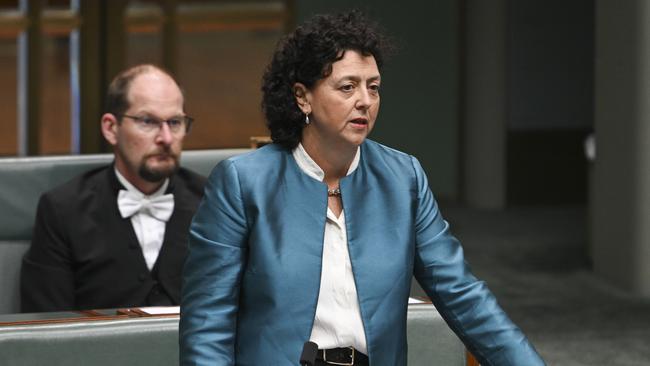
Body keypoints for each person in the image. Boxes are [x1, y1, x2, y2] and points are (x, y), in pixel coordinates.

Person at [180, 11, 545, 366]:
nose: (365, 101)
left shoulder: (403, 178)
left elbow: (463, 295)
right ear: (302, 97)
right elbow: (208, 323)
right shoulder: (244, 182)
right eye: (347, 87)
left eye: (373, 87)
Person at [21, 64, 206, 312]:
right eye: (148, 121)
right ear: (111, 128)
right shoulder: (63, 210)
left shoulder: (212, 202)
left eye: (174, 122)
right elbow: (45, 324)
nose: (166, 138)